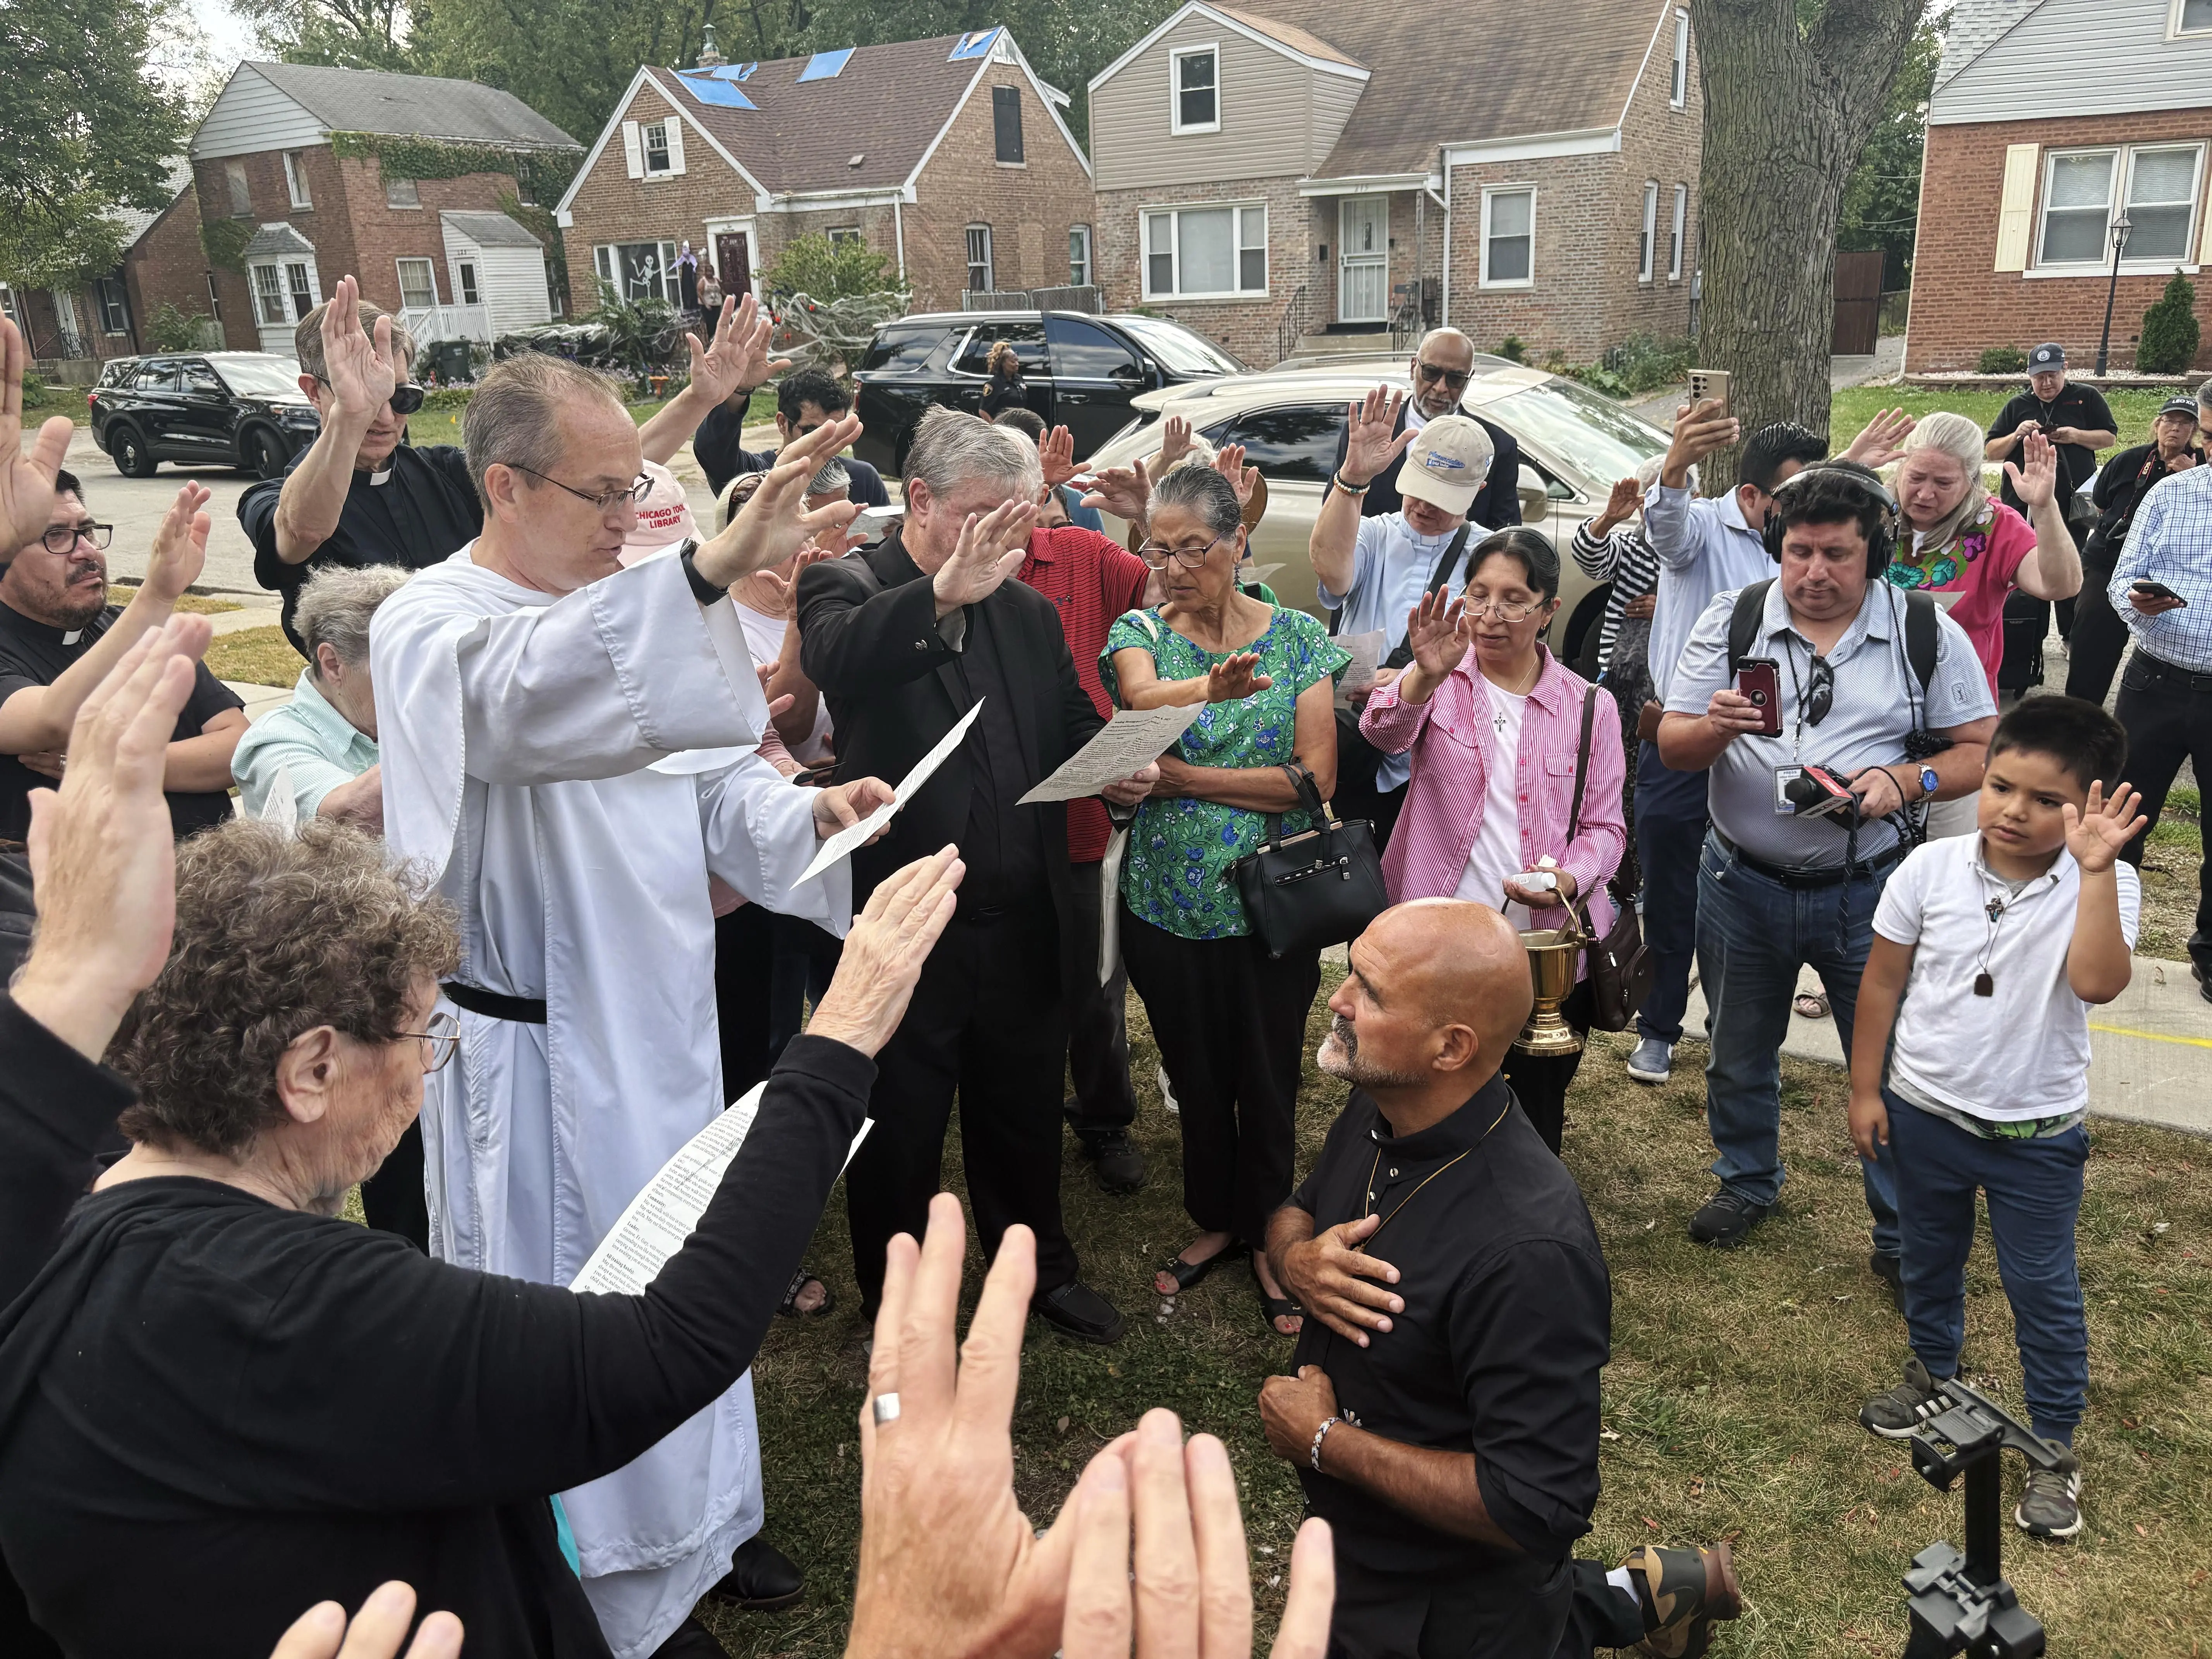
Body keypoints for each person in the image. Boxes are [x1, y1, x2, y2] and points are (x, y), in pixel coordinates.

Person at [0, 794, 968, 1659]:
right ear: (310, 1072)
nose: (429, 1069)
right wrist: (840, 1036)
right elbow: (671, 1346)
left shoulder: (56, 1228)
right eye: (422, 1034)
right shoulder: (301, 1302)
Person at [371, 354, 896, 1655]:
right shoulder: (431, 621)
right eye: (602, 490)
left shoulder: (632, 604)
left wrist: (806, 814)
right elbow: (520, 704)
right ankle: (585, 1587)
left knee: (681, 1277)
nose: (627, 515)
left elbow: (716, 777)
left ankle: (692, 1538)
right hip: (534, 1056)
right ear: (503, 483)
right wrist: (706, 575)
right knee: (564, 1317)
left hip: (659, 1028)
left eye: (636, 488)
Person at [1259, 899, 1739, 1659]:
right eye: (1351, 971)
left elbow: (1536, 1503)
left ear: (1451, 1047)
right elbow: (1298, 1207)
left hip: (1444, 1601)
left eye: (1370, 992)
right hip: (1363, 1542)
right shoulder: (1385, 1101)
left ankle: (1642, 1597)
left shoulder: (1529, 1251)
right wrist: (1297, 1262)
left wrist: (1325, 1442)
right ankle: (1656, 1591)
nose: (1339, 999)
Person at [796, 406, 1157, 1344]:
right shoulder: (849, 582)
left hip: (1024, 911)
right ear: (920, 500)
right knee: (902, 1126)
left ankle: (1037, 1271)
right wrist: (944, 593)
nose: (1013, 537)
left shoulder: (1029, 611)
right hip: (909, 923)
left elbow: (1071, 721)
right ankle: (903, 1312)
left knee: (1022, 1108)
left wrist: (1120, 758)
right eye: (988, 515)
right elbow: (843, 661)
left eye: (1024, 517)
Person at [1658, 461, 1997, 1281]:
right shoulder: (1733, 619)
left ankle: (1900, 1224)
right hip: (1740, 883)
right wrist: (1713, 728)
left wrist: (1902, 782)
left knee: (1887, 1062)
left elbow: (1982, 750)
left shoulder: (1924, 630)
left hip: (1873, 889)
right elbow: (1672, 745)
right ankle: (1746, 1180)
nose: (1814, 572)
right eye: (1800, 552)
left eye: (1837, 555)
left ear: (1873, 554)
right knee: (1737, 1050)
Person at [1848, 698, 2141, 1541]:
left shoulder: (2107, 880)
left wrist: (2091, 874)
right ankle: (1933, 1372)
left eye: (2047, 800)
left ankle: (2054, 1444)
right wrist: (1867, 1090)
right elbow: (1881, 984)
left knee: (2041, 1287)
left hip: (2036, 1136)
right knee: (1926, 1255)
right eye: (2003, 786)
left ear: (2089, 806)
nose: (2015, 810)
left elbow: (2097, 985)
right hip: (1926, 1114)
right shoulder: (1928, 870)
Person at [1104, 465, 1348, 1333]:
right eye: (1158, 548)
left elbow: (1314, 780)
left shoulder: (1298, 641)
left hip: (1275, 905)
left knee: (1269, 1071)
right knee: (1197, 1074)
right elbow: (1138, 700)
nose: (1171, 565)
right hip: (1166, 906)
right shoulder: (1139, 631)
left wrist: (1181, 779)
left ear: (1238, 539)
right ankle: (1216, 1218)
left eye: (1192, 547)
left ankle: (1268, 1231)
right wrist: (1212, 696)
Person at [247, 280, 755, 652]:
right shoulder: (276, 498)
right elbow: (301, 531)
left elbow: (593, 473)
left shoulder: (443, 471)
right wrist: (349, 418)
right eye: (365, 395)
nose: (385, 415)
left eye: (401, 395)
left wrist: (698, 400)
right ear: (314, 392)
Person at [1629, 407, 1908, 1076]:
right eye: (1789, 514)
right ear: (1753, 498)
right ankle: (1660, 1025)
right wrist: (1674, 464)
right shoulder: (1699, 527)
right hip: (1687, 734)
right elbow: (1664, 526)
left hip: (1783, 762)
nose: (1801, 535)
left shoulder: (1821, 553)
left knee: (1741, 884)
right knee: (1669, 888)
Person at [1360, 530, 1625, 1154]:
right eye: (1478, 596)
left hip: (1537, 946)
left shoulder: (1590, 707)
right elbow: (1381, 733)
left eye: (1513, 600)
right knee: (1414, 1087)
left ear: (1548, 610)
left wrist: (1568, 879)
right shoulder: (1444, 679)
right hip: (1434, 934)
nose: (1490, 616)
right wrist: (1423, 675)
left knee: (1529, 1108)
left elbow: (1606, 830)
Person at [0, 472, 244, 840]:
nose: (87, 551)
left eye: (88, 530)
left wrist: (115, 763)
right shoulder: (143, 623)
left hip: (219, 875)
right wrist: (157, 598)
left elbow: (238, 748)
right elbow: (53, 719)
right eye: (56, 536)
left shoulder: (133, 627)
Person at [1310, 393, 1495, 847]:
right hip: (1360, 746)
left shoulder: (1491, 557)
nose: (1425, 507)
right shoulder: (1376, 531)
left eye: (1442, 498)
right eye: (1421, 488)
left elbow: (1503, 660)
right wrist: (1353, 479)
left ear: (1477, 493)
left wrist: (1412, 679)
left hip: (1443, 761)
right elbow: (1331, 569)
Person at [1883, 413, 2082, 826]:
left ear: (1973, 480)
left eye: (1943, 484)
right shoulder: (1871, 514)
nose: (1924, 494)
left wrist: (2043, 508)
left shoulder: (1994, 526)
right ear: (1901, 467)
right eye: (1916, 477)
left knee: (1941, 859)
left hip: (1958, 729)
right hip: (1871, 714)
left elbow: (2059, 584)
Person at [2107, 440, 2212, 1000]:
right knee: (2122, 815)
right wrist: (2135, 601)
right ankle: (2101, 937)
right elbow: (2122, 580)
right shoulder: (2172, 494)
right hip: (2157, 681)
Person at [1984, 342, 2117, 690]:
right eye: (2039, 377)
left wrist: (2076, 436)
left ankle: (2070, 635)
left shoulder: (2085, 397)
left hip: (2070, 504)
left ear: (2065, 370)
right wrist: (2017, 434)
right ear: (2030, 377)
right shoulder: (2018, 405)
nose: (2046, 383)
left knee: (2068, 565)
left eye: (2052, 375)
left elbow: (2109, 438)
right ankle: (2027, 637)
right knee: (2025, 570)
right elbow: (1991, 449)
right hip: (2021, 502)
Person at [232, 564, 405, 828]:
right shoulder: (273, 743)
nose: (415, 681)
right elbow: (348, 815)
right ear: (333, 664)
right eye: (396, 666)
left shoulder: (395, 720)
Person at [2066, 391, 2205, 706]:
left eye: (2185, 423)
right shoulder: (2129, 461)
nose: (2175, 429)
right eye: (2169, 420)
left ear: (2195, 431)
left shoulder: (2203, 469)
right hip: (2108, 560)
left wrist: (2189, 481)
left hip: (2173, 570)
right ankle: (2078, 717)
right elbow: (2100, 507)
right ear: (2157, 424)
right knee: (2092, 637)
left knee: (2172, 645)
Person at [1325, 328, 1523, 533]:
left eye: (1455, 379)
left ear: (1468, 379)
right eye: (1431, 373)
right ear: (1413, 368)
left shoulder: (1498, 447)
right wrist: (1353, 479)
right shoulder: (1364, 434)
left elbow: (1505, 537)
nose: (1440, 388)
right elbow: (1333, 525)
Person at [694, 363, 893, 504]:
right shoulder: (754, 476)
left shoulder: (863, 479)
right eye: (813, 431)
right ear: (783, 423)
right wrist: (739, 389)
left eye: (837, 433)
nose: (825, 444)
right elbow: (713, 449)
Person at [993, 407, 1106, 531]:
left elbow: (1099, 549)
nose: (1023, 467)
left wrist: (1042, 481)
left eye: (1059, 526)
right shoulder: (981, 500)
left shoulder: (1081, 504)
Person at [982, 338, 1030, 419]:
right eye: (1013, 362)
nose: (1017, 364)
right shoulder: (994, 384)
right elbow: (983, 411)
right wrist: (994, 427)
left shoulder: (1019, 379)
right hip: (1003, 425)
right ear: (1003, 363)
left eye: (1017, 361)